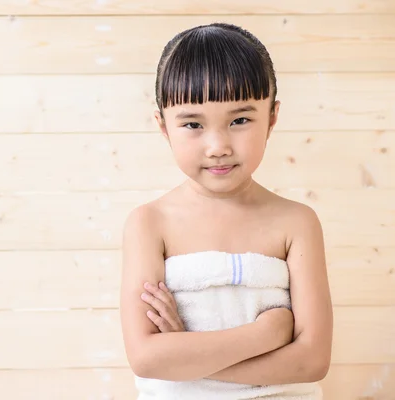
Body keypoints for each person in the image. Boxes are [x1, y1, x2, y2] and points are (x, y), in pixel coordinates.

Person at [119, 23, 334, 399]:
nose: (218, 145)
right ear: (163, 127)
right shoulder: (150, 223)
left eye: (239, 120)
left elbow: (311, 361)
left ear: (272, 117)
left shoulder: (296, 223)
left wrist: (188, 354)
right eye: (192, 124)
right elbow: (147, 358)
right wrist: (265, 334)